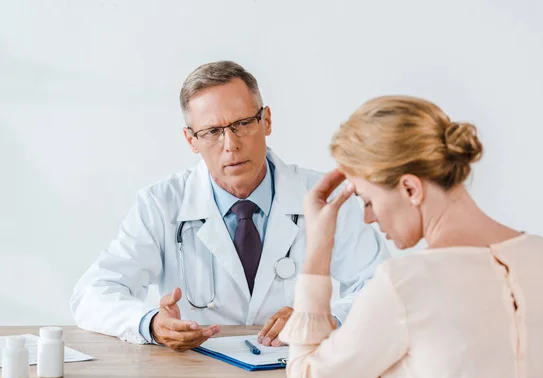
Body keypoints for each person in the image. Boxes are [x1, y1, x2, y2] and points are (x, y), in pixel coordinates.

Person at [69, 61, 389, 351]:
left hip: (296, 369)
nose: (230, 144)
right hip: (196, 377)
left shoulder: (325, 197)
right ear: (191, 139)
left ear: (266, 120)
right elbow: (94, 293)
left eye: (242, 123)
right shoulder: (160, 204)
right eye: (212, 132)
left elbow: (383, 286)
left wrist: (323, 317)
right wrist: (150, 323)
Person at [278, 95, 543, 378]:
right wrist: (397, 370)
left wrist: (318, 243)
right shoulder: (540, 255)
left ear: (409, 188)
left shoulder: (404, 283)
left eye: (368, 201)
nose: (367, 218)